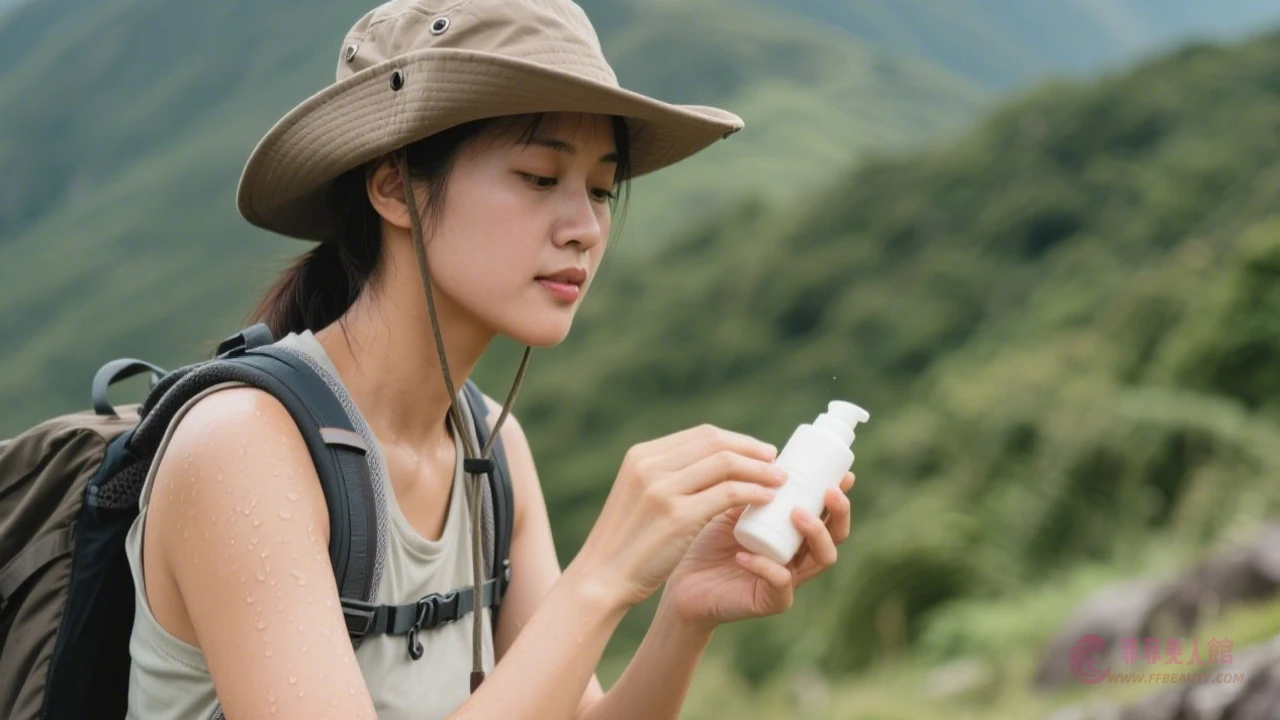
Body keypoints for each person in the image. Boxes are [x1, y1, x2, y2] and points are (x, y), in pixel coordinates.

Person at [123, 0, 856, 718]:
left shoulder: (490, 447)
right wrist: (599, 578)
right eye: (540, 177)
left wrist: (684, 614)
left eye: (602, 189)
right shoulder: (245, 447)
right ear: (393, 187)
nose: (584, 229)